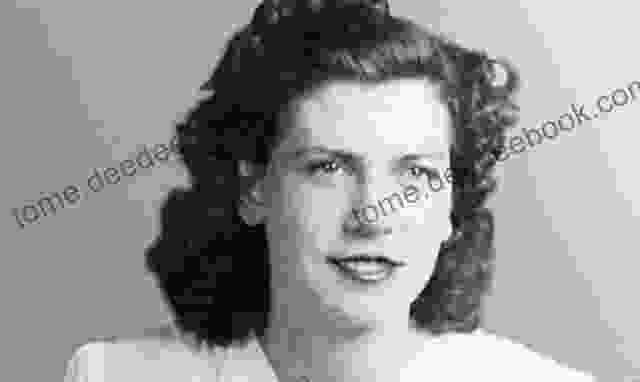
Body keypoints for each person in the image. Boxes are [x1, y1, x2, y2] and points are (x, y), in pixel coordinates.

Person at [64, 0, 596, 381]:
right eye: (328, 167)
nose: (372, 213)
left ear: (451, 209)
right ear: (253, 189)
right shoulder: (112, 375)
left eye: (416, 174)